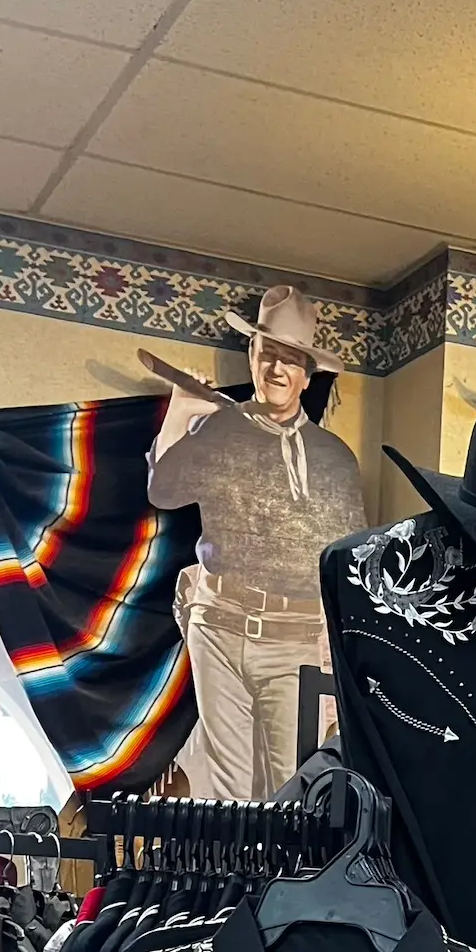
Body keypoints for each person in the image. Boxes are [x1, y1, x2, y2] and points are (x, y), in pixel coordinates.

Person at [146, 285, 364, 804]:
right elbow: (164, 490)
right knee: (227, 788)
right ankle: (231, 887)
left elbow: (347, 567)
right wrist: (180, 412)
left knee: (288, 783)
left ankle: (278, 886)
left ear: (307, 375)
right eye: (268, 355)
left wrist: (335, 650)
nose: (276, 371)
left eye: (290, 361)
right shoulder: (220, 427)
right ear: (252, 356)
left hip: (295, 638)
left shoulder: (334, 457)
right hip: (218, 624)